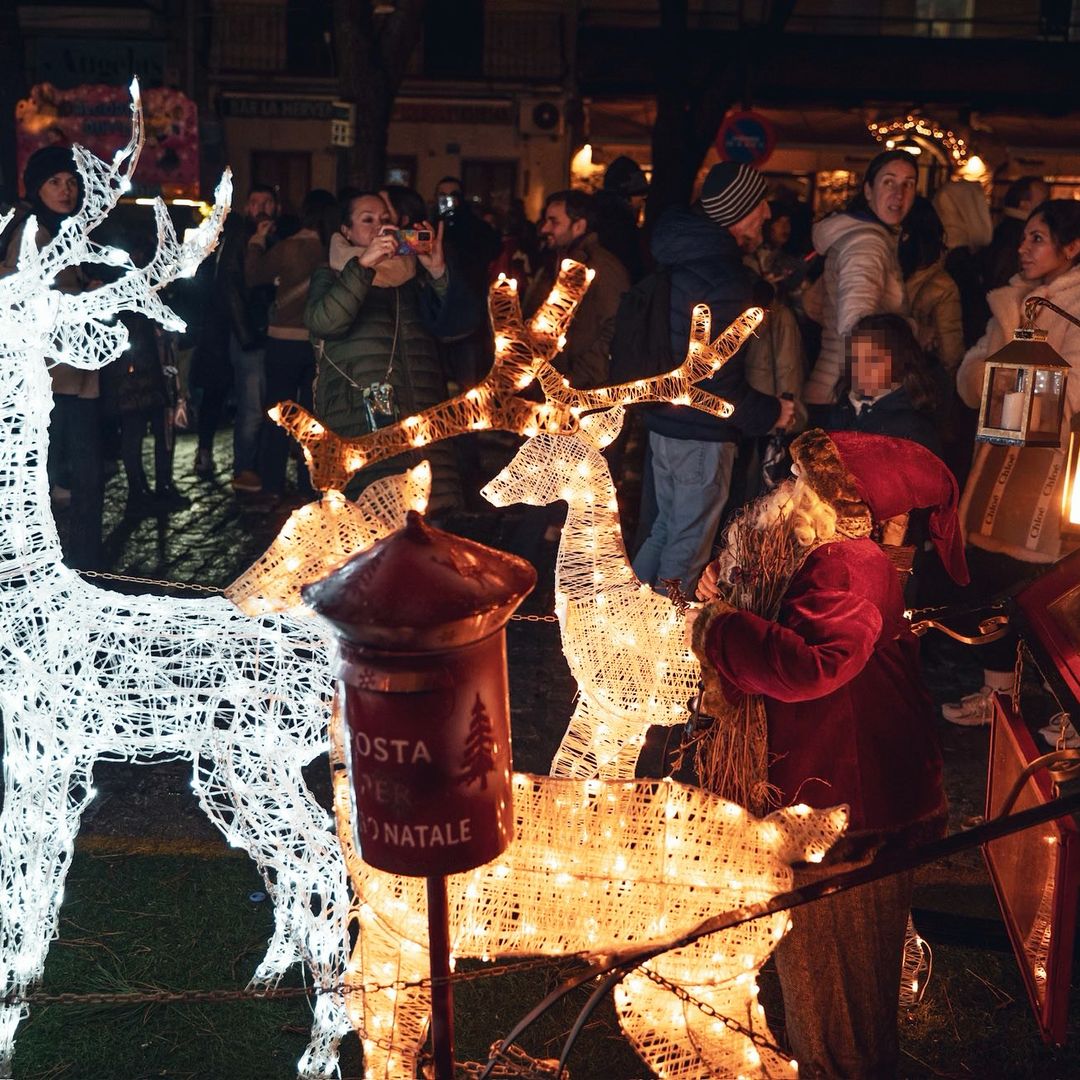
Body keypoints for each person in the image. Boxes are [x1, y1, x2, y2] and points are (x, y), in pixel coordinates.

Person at [691, 428, 968, 1079]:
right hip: (852, 797)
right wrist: (734, 591)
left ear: (848, 498)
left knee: (836, 998)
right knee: (843, 987)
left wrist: (720, 628)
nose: (790, 490)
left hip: (844, 812)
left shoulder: (848, 562)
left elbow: (815, 665)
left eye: (808, 480)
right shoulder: (835, 553)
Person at [943, 198, 1080, 726]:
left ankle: (1069, 709)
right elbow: (971, 375)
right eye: (1024, 238)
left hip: (1054, 477)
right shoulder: (1010, 304)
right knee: (991, 582)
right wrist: (996, 374)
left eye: (1037, 239)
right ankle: (997, 697)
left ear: (1072, 248)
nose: (1023, 249)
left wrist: (1025, 381)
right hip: (997, 469)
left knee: (1053, 593)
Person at [631, 162, 795, 596]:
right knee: (686, 548)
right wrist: (773, 412)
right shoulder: (723, 278)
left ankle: (623, 615)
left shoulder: (685, 258)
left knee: (664, 530)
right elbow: (716, 383)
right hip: (700, 437)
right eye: (759, 205)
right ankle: (661, 646)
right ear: (738, 212)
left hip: (666, 424)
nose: (766, 214)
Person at [305, 191, 476, 515]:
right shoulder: (331, 274)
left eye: (385, 220)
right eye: (367, 220)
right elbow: (325, 322)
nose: (379, 227)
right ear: (346, 231)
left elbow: (459, 328)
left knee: (431, 532)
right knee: (372, 529)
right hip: (361, 425)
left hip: (424, 422)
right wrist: (364, 265)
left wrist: (439, 271)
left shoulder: (412, 277)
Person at [2, 146, 103, 569]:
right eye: (55, 182)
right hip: (46, 380)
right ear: (37, 187)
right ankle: (60, 562)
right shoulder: (31, 233)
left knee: (79, 472)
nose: (66, 190)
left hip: (71, 378)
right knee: (59, 473)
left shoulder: (65, 231)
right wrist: (83, 296)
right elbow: (20, 294)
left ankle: (76, 559)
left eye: (72, 182)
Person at [244, 188, 338, 506]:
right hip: (317, 345)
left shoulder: (287, 247)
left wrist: (256, 242)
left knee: (279, 415)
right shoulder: (333, 251)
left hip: (281, 342)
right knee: (312, 417)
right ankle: (308, 482)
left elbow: (254, 275)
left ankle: (272, 482)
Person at [803, 150, 916, 405]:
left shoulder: (862, 237)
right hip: (849, 394)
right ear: (868, 191)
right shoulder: (867, 244)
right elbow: (858, 325)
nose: (899, 194)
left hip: (834, 385)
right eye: (889, 182)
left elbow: (813, 305)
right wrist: (911, 330)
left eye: (909, 184)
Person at [190, 183, 279, 493]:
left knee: (248, 400)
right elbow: (231, 284)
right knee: (238, 400)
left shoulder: (269, 236)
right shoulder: (240, 235)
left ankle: (251, 464)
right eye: (256, 201)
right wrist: (246, 334)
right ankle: (236, 464)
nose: (263, 207)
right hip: (235, 331)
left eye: (268, 201)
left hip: (244, 330)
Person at [522, 189, 630, 389]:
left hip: (578, 389)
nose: (545, 228)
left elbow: (615, 328)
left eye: (554, 222)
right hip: (547, 385)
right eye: (545, 220)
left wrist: (576, 379)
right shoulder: (552, 263)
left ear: (579, 226)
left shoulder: (603, 268)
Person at [984, 175, 1051, 291]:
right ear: (1024, 205)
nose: (1049, 206)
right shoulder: (1016, 234)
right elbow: (1004, 276)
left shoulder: (1006, 229)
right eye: (1044, 201)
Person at [593, 155, 649, 283]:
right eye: (640, 195)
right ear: (627, 197)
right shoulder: (622, 225)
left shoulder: (598, 215)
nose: (641, 202)